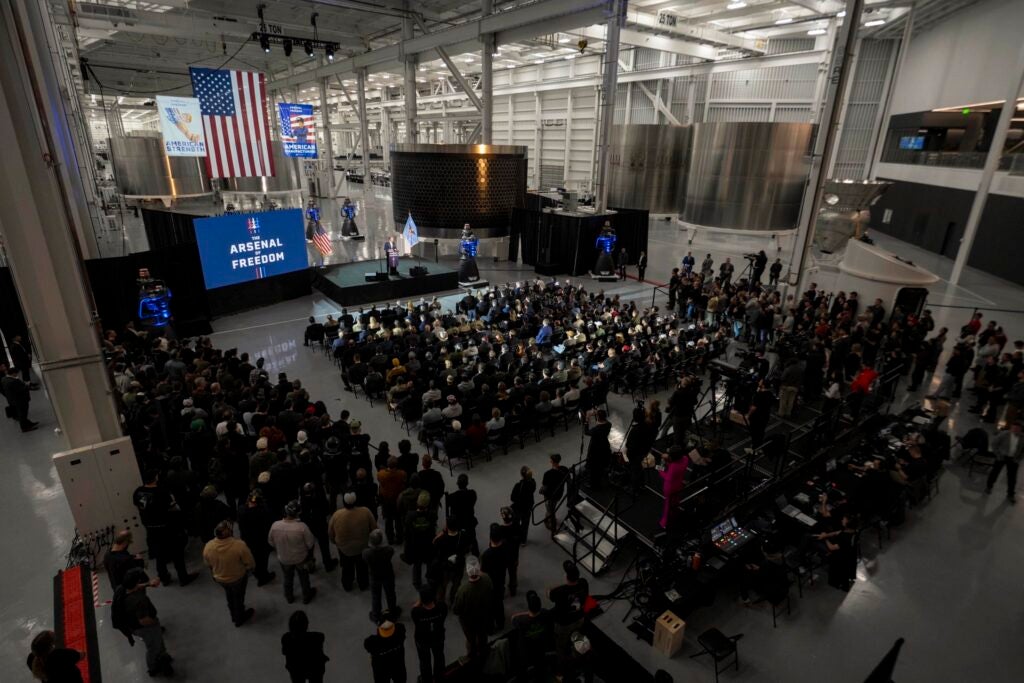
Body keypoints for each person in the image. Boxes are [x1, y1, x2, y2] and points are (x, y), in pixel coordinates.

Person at [133, 469, 198, 587]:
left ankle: (164, 577)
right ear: (155, 477)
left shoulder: (138, 491)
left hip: (150, 528)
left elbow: (139, 507)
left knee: (160, 555)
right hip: (167, 528)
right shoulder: (161, 491)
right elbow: (173, 508)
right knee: (177, 553)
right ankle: (183, 577)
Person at [115, 568, 174, 676]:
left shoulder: (121, 589)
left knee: (157, 641)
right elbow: (144, 621)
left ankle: (163, 656)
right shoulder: (139, 600)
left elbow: (135, 587)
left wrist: (148, 584)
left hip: (131, 624)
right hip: (145, 628)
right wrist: (155, 621)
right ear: (137, 582)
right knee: (153, 647)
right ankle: (153, 667)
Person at [202, 520, 255, 626]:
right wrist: (249, 570)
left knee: (230, 595)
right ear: (230, 532)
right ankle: (239, 618)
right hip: (237, 578)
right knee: (239, 597)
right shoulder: (239, 545)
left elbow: (208, 564)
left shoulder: (208, 546)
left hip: (220, 579)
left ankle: (233, 615)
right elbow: (250, 563)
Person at [268, 500, 318, 605]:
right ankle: (306, 596)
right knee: (304, 578)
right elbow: (310, 543)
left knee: (287, 578)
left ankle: (289, 597)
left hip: (284, 559)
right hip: (301, 559)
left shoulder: (275, 525)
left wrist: (281, 548)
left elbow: (271, 542)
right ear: (298, 513)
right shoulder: (302, 527)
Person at [329, 492, 378, 591]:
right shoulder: (365, 511)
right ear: (356, 501)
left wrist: (336, 542)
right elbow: (374, 529)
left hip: (344, 549)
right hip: (362, 547)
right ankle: (363, 584)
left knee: (347, 568)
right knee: (362, 567)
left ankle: (347, 585)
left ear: (344, 502)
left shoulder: (337, 515)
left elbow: (330, 532)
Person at [452, 556, 493, 660]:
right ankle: (483, 654)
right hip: (483, 616)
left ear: (467, 571)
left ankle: (472, 657)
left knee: (471, 640)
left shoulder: (463, 590)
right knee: (482, 636)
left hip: (468, 621)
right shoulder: (487, 579)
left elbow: (456, 610)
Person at [236, 489, 277, 586]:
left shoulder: (241, 510)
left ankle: (256, 572)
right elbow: (270, 524)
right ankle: (263, 577)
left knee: (253, 557)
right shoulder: (264, 511)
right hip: (262, 541)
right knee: (262, 560)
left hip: (248, 540)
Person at [511, 590, 554, 679]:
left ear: (528, 607)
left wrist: (527, 613)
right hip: (541, 646)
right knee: (540, 666)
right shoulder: (545, 613)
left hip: (527, 650)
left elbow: (513, 618)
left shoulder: (521, 620)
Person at [411, 585, 447, 683]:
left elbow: (414, 608)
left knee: (424, 661)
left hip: (423, 640)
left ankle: (426, 679)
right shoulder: (442, 607)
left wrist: (420, 601)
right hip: (438, 637)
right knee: (439, 657)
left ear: (422, 599)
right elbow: (443, 615)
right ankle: (439, 678)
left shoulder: (416, 612)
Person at [282, 610, 329, 683]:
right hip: (314, 668)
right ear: (306, 625)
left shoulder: (286, 638)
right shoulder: (317, 637)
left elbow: (284, 651)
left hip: (297, 668)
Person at [364, 529, 400, 623]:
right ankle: (393, 613)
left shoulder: (367, 553)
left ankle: (376, 615)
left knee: (376, 596)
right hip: (387, 574)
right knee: (390, 594)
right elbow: (390, 550)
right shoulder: (388, 550)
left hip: (374, 576)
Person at [404, 491, 437, 589]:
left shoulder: (410, 516)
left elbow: (407, 534)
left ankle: (417, 582)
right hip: (428, 544)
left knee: (417, 565)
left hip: (415, 544)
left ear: (417, 502)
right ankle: (430, 580)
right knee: (429, 563)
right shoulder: (432, 515)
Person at [985, 421, 1024, 504]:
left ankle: (1010, 494)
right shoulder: (1004, 434)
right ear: (1011, 428)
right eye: (1014, 428)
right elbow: (994, 444)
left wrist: (1018, 459)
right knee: (994, 473)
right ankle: (989, 487)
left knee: (1012, 478)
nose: (1016, 430)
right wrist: (998, 455)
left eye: (1018, 429)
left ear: (1021, 430)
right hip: (1002, 457)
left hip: (1013, 458)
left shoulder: (1022, 437)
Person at [481, 523, 509, 630]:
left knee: (489, 607)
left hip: (489, 584)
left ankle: (490, 628)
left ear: (490, 538)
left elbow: (483, 572)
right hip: (500, 581)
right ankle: (500, 623)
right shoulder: (505, 547)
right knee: (499, 603)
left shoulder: (486, 555)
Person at [658, 446, 689, 530]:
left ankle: (664, 522)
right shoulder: (685, 459)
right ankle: (675, 511)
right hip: (678, 484)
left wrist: (659, 468)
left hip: (670, 487)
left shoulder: (674, 467)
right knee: (675, 500)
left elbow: (667, 477)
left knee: (667, 504)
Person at [2, 365, 37, 431]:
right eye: (16, 373)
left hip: (13, 400)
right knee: (23, 414)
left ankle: (28, 423)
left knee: (22, 413)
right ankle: (24, 427)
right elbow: (20, 390)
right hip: (20, 400)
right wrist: (26, 385)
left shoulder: (4, 379)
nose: (17, 375)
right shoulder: (12, 381)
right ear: (13, 373)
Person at [541, 454, 569, 534]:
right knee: (552, 507)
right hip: (559, 494)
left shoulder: (547, 474)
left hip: (549, 495)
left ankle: (552, 527)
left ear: (552, 461)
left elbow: (544, 485)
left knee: (550, 509)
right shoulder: (564, 469)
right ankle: (547, 518)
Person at [583, 409, 612, 484]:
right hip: (604, 445)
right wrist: (598, 412)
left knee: (594, 464)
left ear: (598, 418)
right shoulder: (609, 424)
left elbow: (586, 432)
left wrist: (587, 419)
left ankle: (594, 480)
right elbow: (604, 421)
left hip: (595, 448)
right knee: (603, 461)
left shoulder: (596, 429)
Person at [510, 466, 536, 545]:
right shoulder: (533, 483)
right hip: (528, 507)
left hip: (519, 508)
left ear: (522, 475)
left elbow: (512, 498)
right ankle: (523, 540)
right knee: (525, 524)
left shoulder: (518, 485)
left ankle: (516, 537)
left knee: (516, 523)